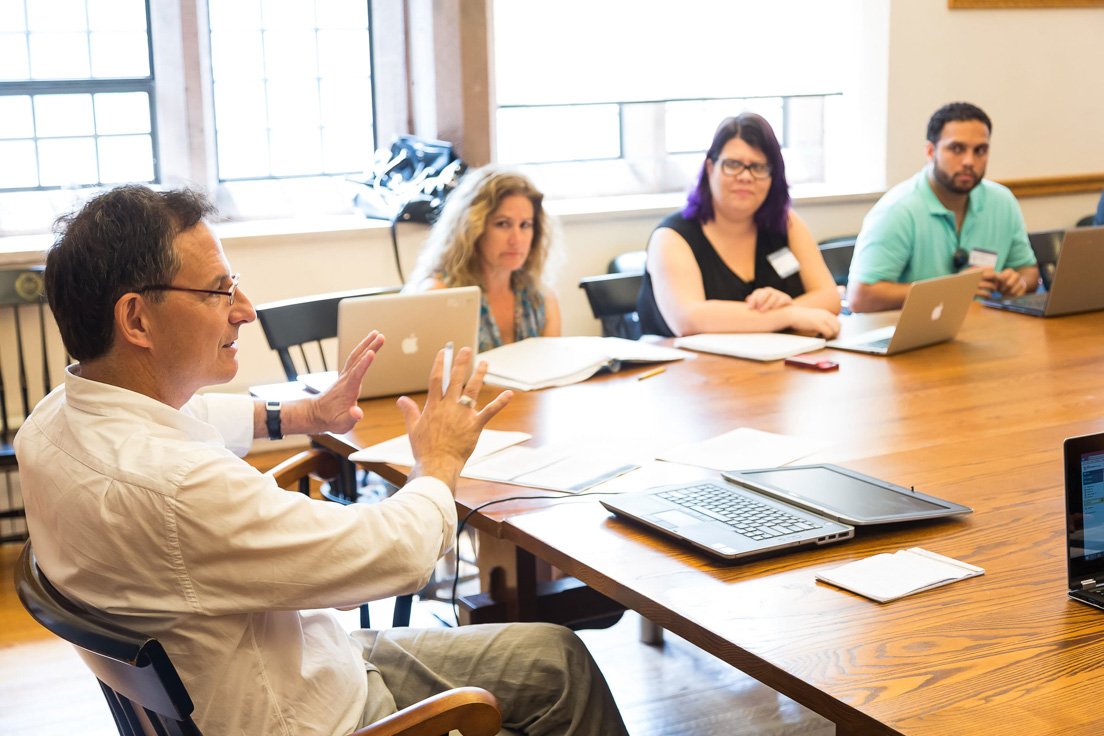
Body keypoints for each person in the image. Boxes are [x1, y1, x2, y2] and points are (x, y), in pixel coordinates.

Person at [16, 185, 628, 736]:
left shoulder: (52, 423)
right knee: (562, 666)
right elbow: (402, 554)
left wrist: (297, 417)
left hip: (298, 659)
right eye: (218, 290)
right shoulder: (180, 490)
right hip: (324, 713)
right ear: (136, 319)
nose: (244, 309)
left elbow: (195, 418)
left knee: (553, 654)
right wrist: (438, 460)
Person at [635, 113, 842, 339]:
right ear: (710, 168)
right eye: (732, 165)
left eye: (759, 167)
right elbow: (689, 320)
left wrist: (784, 309)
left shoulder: (786, 223)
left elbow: (829, 298)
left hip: (778, 366)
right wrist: (788, 315)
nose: (745, 177)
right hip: (691, 371)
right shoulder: (671, 237)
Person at [847, 102, 1039, 313]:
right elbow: (860, 298)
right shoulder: (897, 210)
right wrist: (952, 289)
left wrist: (1017, 283)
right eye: (956, 149)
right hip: (916, 335)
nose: (969, 161)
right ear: (930, 151)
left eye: (980, 150)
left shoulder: (1002, 201)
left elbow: (1028, 271)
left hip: (988, 328)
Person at [406, 166, 561, 352]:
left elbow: (554, 375)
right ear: (472, 228)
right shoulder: (438, 296)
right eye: (502, 224)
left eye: (525, 225)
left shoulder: (541, 298)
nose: (517, 240)